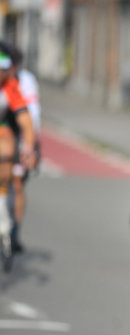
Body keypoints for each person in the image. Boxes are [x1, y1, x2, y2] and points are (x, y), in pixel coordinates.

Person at [4, 44, 41, 253]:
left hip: (16, 133)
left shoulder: (23, 82)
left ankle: (14, 232)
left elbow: (30, 118)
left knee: (17, 183)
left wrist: (30, 148)